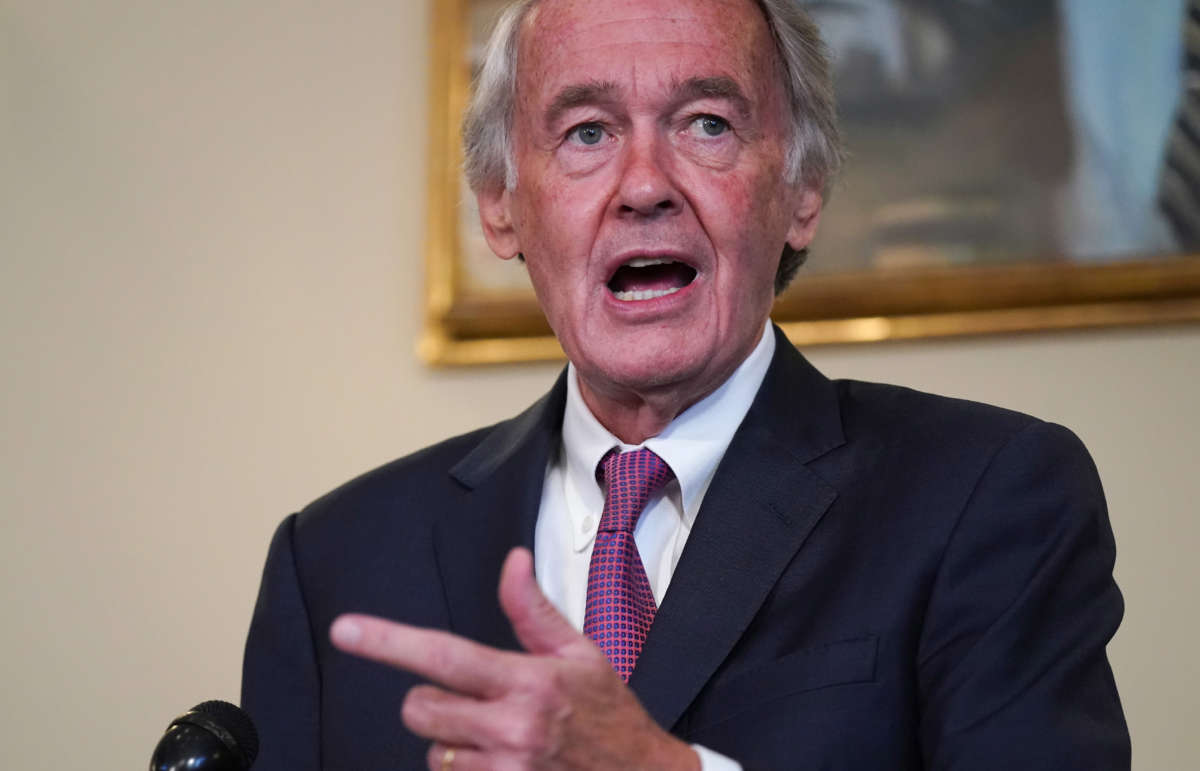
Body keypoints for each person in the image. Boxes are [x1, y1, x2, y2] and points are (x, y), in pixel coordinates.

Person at [242, 0, 1130, 768]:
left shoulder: (987, 496)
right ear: (500, 205)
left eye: (707, 122)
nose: (644, 186)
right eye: (586, 132)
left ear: (802, 188)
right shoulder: (334, 562)